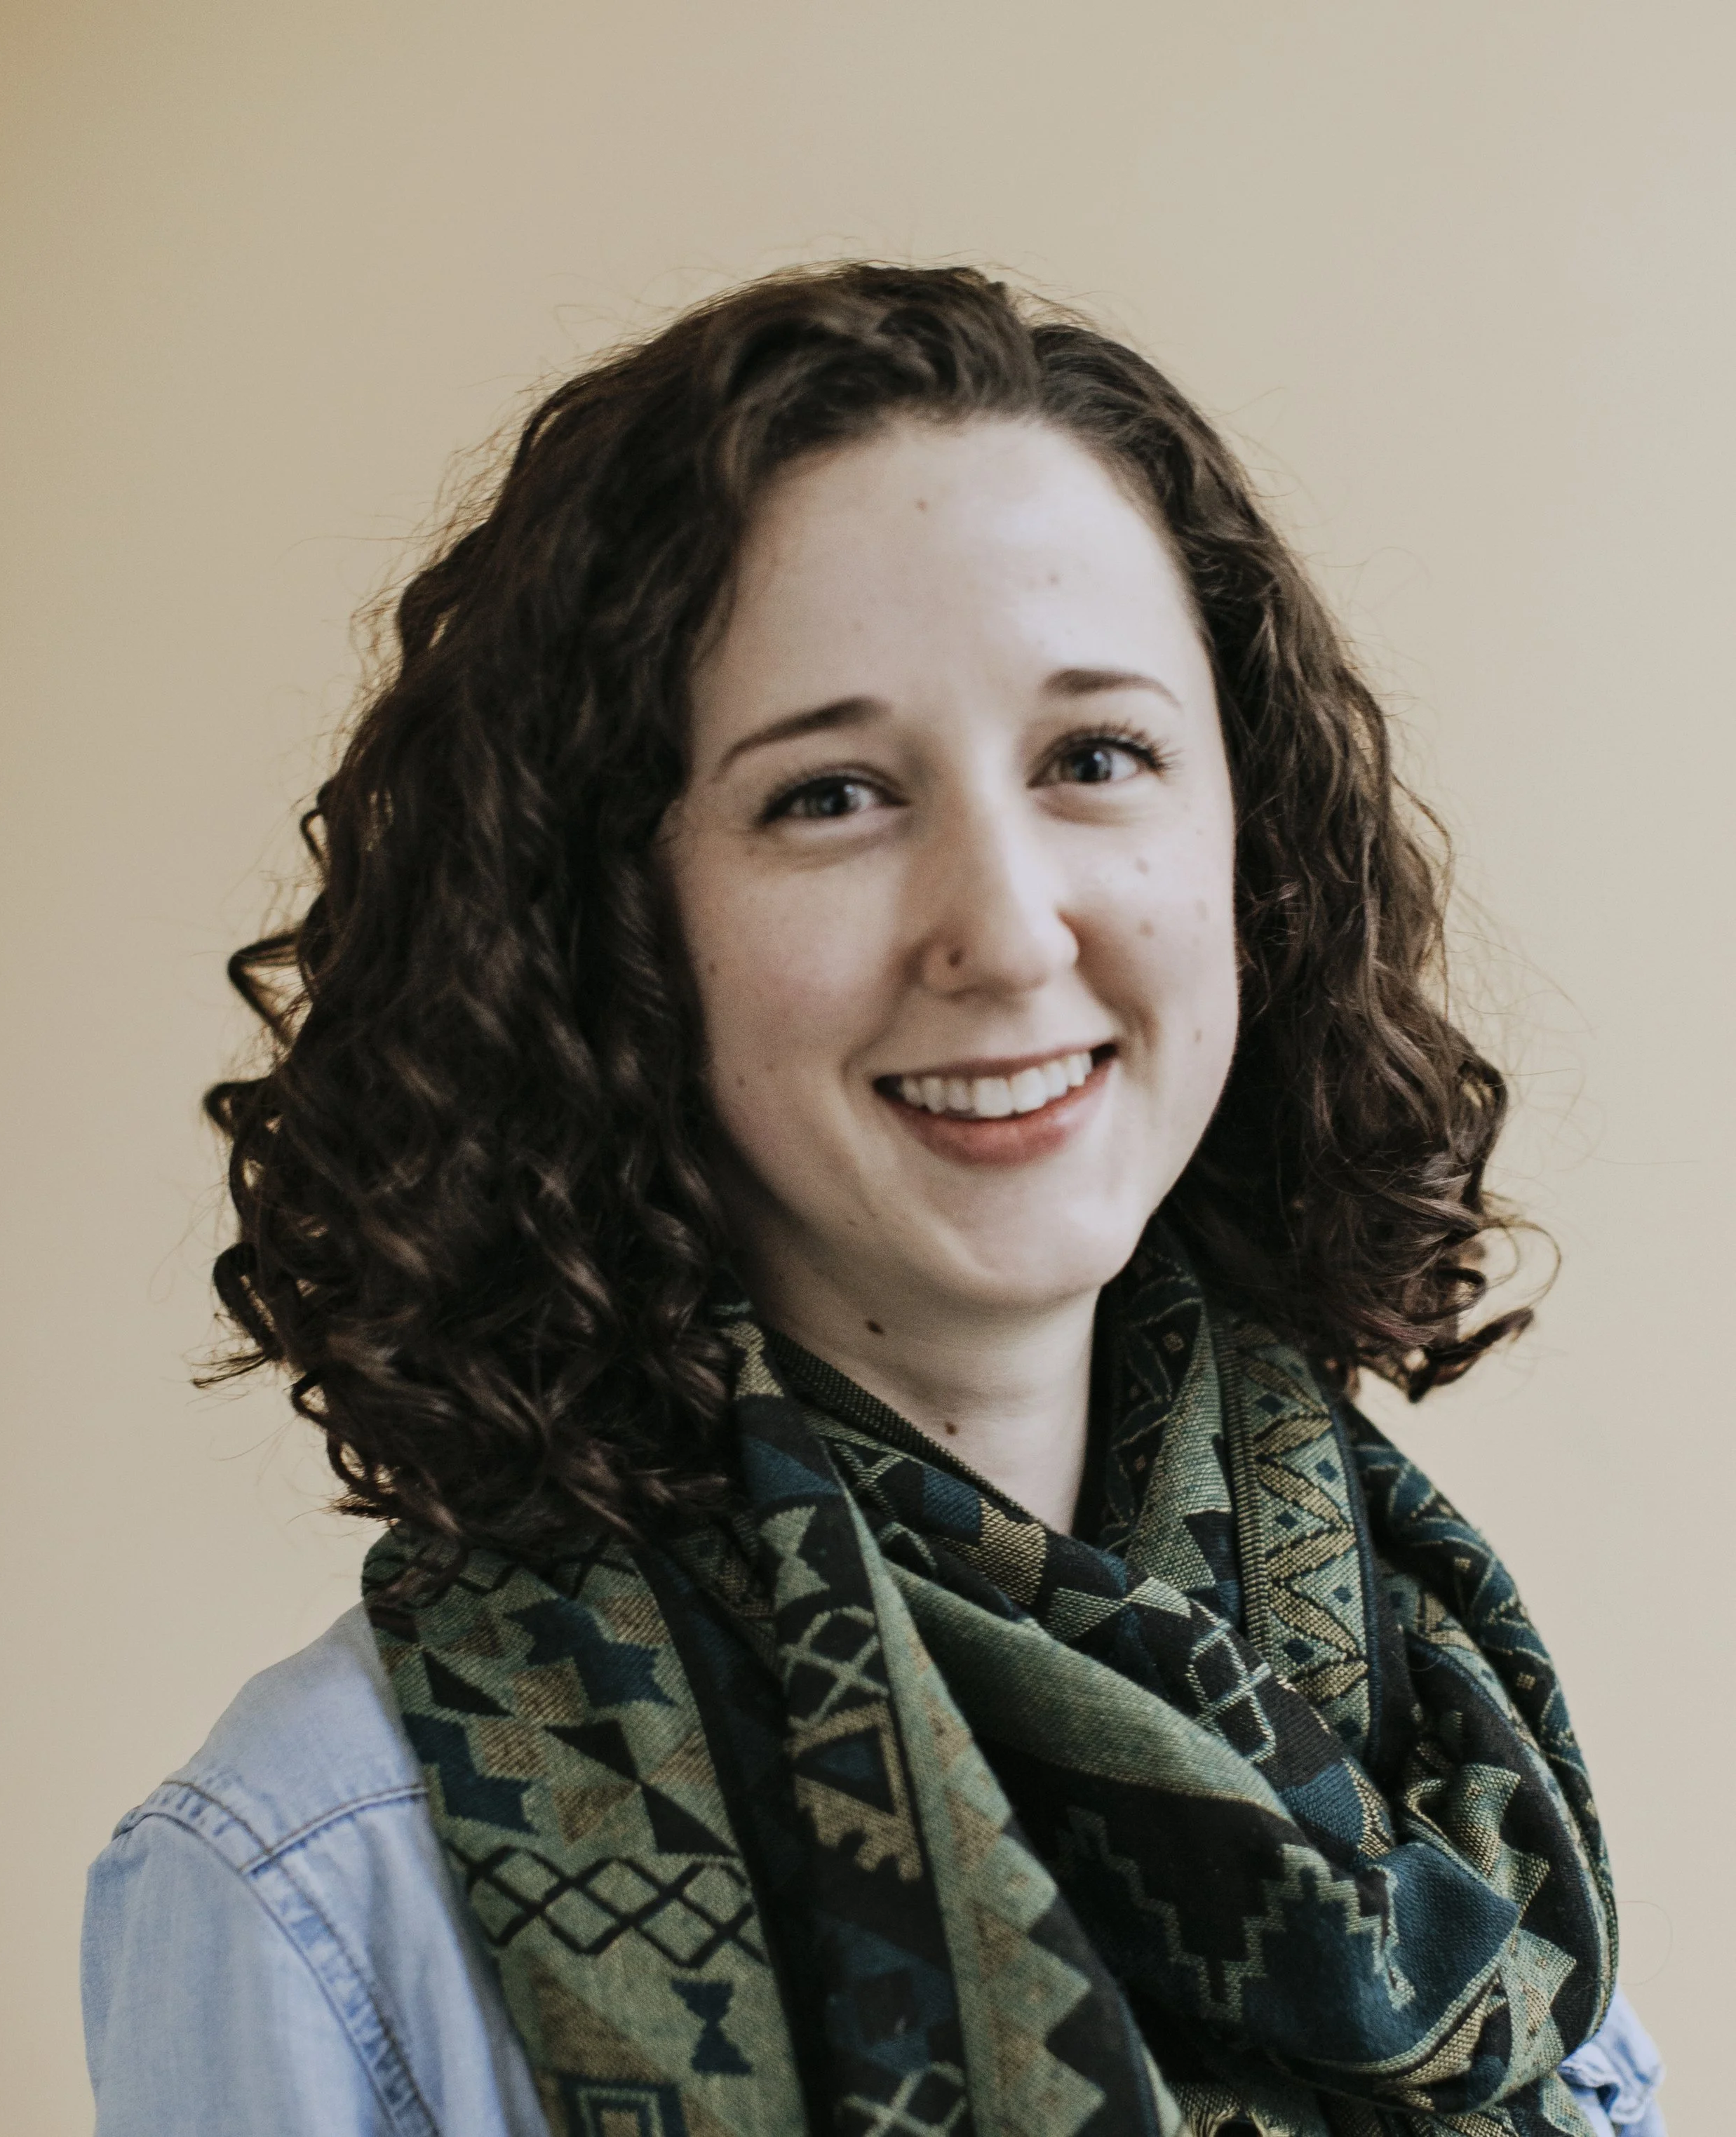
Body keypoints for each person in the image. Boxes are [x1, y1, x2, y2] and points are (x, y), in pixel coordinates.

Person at [81, 263, 1666, 2137]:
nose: (1003, 928)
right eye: (830, 794)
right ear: (610, 933)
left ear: (1248, 846)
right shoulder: (318, 1880)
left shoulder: (1437, 1744)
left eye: (1095, 757)